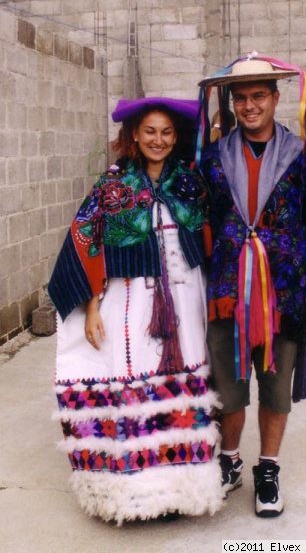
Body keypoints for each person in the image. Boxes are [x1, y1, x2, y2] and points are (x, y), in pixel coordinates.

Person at [48, 97, 225, 525]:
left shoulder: (190, 184)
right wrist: (91, 307)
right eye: (149, 132)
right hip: (129, 305)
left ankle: (180, 491)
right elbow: (88, 245)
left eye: (166, 132)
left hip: (185, 301)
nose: (158, 140)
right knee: (130, 382)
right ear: (133, 136)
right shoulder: (112, 187)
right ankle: (132, 496)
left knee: (182, 386)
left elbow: (212, 237)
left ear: (175, 137)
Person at [198, 56, 306, 518]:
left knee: (276, 385)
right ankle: (229, 461)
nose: (249, 106)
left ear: (276, 98)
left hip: (285, 290)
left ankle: (268, 469)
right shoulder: (213, 158)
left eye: (258, 96)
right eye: (240, 97)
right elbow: (197, 220)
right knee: (228, 383)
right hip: (226, 289)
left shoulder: (303, 158)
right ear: (232, 102)